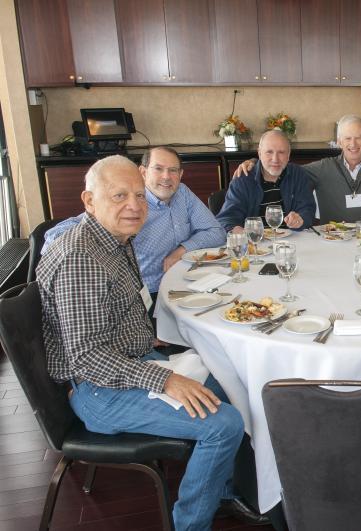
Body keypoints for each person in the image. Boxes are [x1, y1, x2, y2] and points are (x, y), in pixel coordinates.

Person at [36, 156, 246, 529]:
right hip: (98, 390)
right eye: (119, 196)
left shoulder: (113, 238)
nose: (134, 206)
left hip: (134, 362)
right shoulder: (80, 257)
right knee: (224, 423)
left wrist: (158, 345)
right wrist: (167, 379)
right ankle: (190, 525)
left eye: (139, 195)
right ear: (89, 200)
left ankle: (222, 493)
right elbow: (88, 358)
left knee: (232, 384)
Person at [43, 147, 226, 297]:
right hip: (144, 293)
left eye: (173, 170)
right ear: (143, 172)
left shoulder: (182, 193)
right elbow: (57, 236)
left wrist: (181, 250)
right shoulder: (130, 206)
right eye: (158, 169)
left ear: (181, 174)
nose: (166, 177)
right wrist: (73, 253)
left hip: (184, 284)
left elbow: (216, 232)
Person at [233, 115, 361, 223]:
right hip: (332, 239)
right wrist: (255, 162)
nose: (353, 144)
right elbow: (283, 167)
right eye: (347, 138)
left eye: (359, 138)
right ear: (339, 142)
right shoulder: (323, 167)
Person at [217, 129, 315, 231]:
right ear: (259, 153)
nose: (275, 159)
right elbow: (226, 218)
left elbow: (308, 208)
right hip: (254, 241)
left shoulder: (298, 174)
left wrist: (301, 219)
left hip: (290, 242)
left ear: (288, 155)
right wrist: (236, 229)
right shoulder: (243, 179)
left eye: (281, 152)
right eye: (269, 152)